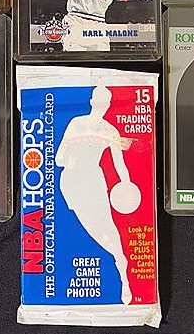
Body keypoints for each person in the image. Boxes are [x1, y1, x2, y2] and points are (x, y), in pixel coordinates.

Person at [56, 85, 137, 304]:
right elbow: (59, 158)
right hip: (75, 183)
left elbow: (59, 159)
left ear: (93, 102)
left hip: (89, 181)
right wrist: (126, 182)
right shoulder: (88, 126)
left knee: (105, 229)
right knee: (99, 230)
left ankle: (122, 269)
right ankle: (119, 260)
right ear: (106, 105)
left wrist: (127, 185)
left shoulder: (98, 128)